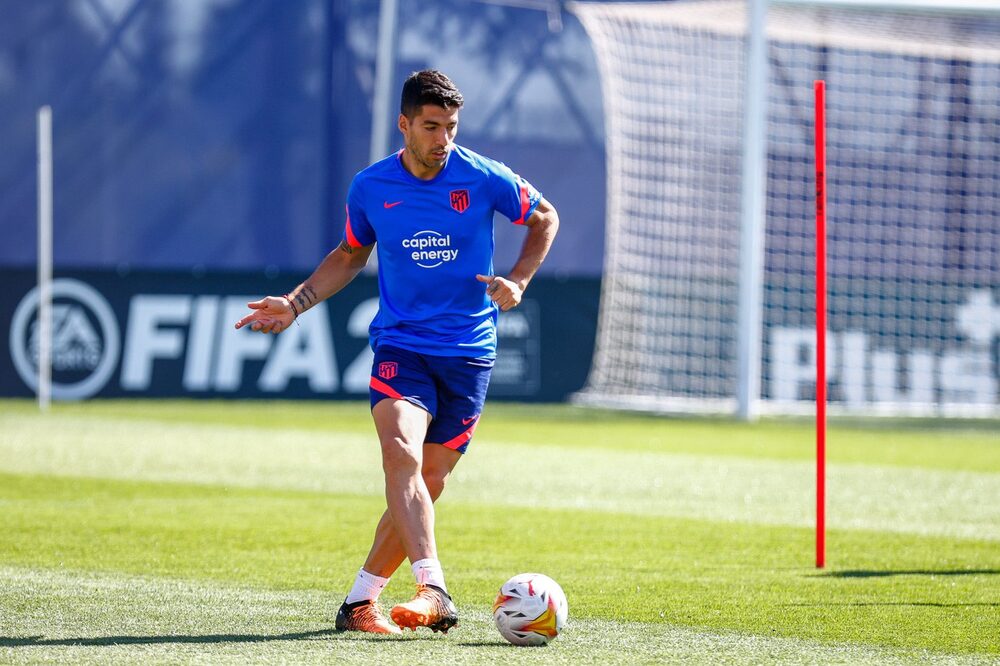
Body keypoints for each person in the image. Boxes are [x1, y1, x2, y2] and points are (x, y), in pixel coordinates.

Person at [234, 70, 559, 635]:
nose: (442, 139)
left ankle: (360, 603)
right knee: (401, 454)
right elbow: (350, 252)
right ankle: (434, 589)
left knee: (429, 480)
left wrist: (520, 280)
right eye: (431, 126)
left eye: (451, 127)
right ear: (404, 124)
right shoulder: (371, 186)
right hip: (401, 345)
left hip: (469, 353)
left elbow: (544, 217)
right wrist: (294, 302)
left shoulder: (481, 176)